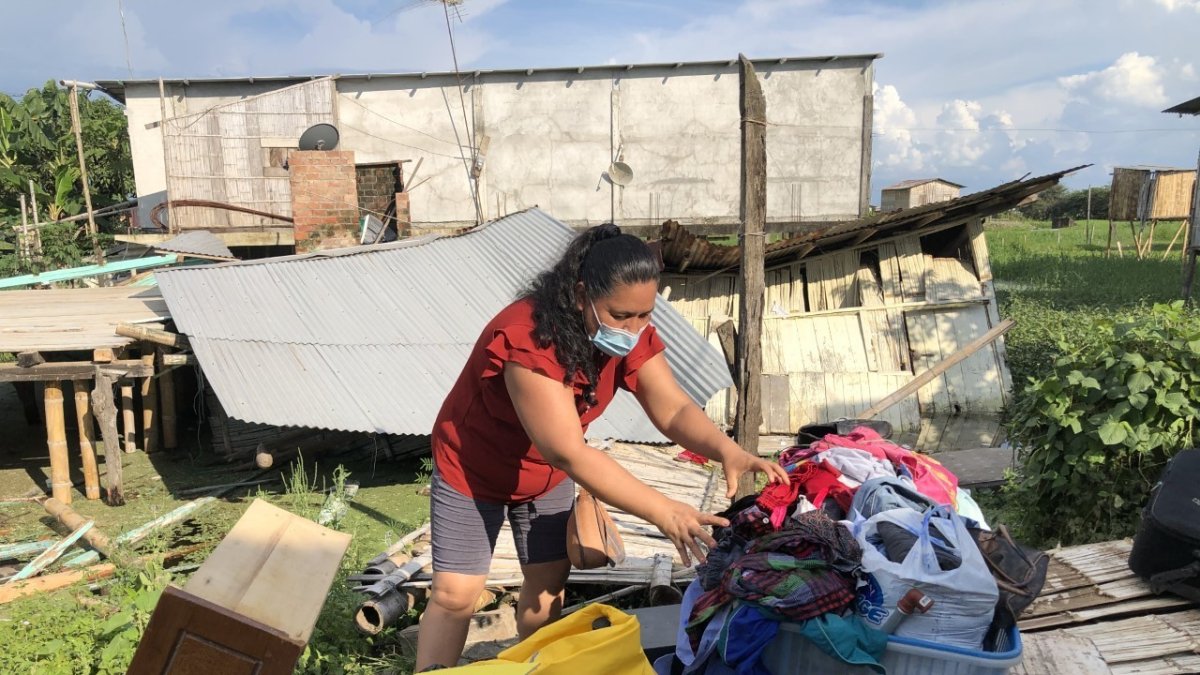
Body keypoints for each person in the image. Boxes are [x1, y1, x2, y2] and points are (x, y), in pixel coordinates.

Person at [415, 223, 789, 671]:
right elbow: (569, 452)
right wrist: (664, 511)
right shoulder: (527, 338)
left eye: (645, 315)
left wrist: (724, 448)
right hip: (473, 470)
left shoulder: (626, 332)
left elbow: (670, 409)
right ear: (579, 296)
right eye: (621, 316)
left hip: (543, 476)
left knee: (547, 587)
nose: (633, 330)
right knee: (456, 596)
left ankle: (534, 665)